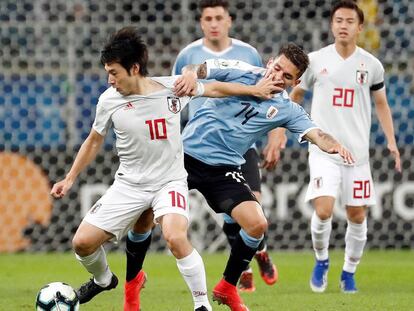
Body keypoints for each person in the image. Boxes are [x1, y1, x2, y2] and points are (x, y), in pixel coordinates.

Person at [50, 26, 279, 311]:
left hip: (169, 182)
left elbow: (217, 89)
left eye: (114, 72)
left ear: (134, 68)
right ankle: (104, 279)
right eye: (107, 72)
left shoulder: (172, 89)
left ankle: (201, 305)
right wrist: (70, 177)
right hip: (129, 185)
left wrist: (255, 90)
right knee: (82, 244)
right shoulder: (108, 101)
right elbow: (94, 140)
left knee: (174, 236)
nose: (109, 80)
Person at [174, 43, 354, 311]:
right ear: (270, 62)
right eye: (278, 68)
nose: (279, 77)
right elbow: (198, 69)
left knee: (257, 224)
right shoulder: (242, 71)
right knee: (144, 218)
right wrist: (190, 73)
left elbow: (316, 133)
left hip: (223, 169)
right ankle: (131, 292)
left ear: (296, 82)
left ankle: (227, 287)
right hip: (185, 157)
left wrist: (334, 144)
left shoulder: (286, 109)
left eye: (288, 77)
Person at [289, 0, 401, 294]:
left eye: (350, 21)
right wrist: (285, 127)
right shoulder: (315, 60)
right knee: (324, 209)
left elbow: (382, 104)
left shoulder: (372, 65)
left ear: (360, 27)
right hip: (324, 151)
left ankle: (349, 272)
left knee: (357, 215)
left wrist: (391, 140)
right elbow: (296, 94)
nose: (343, 25)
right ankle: (322, 260)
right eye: (338, 20)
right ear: (331, 24)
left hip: (358, 156)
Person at [172, 0, 282, 292]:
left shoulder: (247, 53)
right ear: (201, 22)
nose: (213, 23)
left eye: (219, 17)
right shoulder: (188, 55)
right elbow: (176, 96)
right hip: (201, 146)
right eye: (208, 18)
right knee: (227, 214)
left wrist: (275, 137)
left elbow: (269, 93)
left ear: (229, 20)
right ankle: (243, 269)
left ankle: (260, 252)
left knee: (252, 204)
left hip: (241, 143)